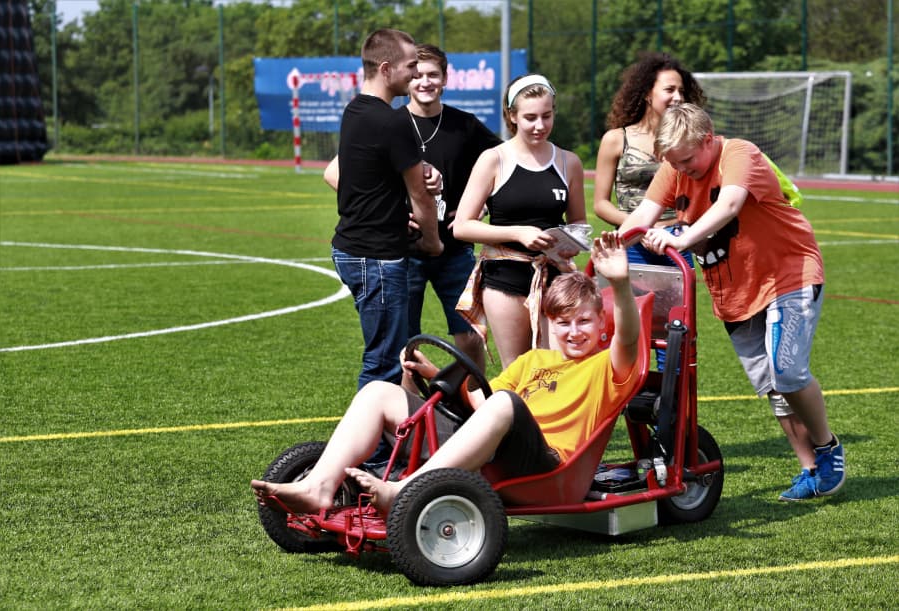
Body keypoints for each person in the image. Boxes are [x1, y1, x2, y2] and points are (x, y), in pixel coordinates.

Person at [251, 232, 642, 516]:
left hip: (547, 468)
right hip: (499, 449)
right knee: (378, 393)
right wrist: (436, 374)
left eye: (584, 321)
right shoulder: (533, 361)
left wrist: (620, 283)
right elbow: (481, 403)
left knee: (505, 402)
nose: (574, 332)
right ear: (550, 324)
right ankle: (319, 486)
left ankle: (404, 491)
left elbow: (627, 336)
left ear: (601, 325)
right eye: (563, 322)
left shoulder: (607, 367)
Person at [618, 103, 845, 502]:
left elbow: (729, 205)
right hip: (735, 291)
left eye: (688, 159)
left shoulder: (739, 153)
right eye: (675, 162)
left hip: (787, 275)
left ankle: (828, 448)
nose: (682, 169)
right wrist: (612, 244)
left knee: (787, 372)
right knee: (773, 387)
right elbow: (643, 215)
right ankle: (810, 469)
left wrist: (681, 239)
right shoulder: (674, 167)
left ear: (708, 140)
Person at [325, 44, 501, 373]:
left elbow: (504, 165)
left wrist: (479, 207)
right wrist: (391, 210)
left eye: (433, 74)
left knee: (469, 336)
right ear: (406, 78)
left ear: (446, 78)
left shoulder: (465, 125)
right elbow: (334, 172)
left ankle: (472, 396)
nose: (424, 82)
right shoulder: (390, 122)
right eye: (417, 74)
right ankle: (411, 402)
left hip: (455, 249)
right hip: (404, 251)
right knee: (406, 342)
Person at [331, 29, 442, 391]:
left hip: (355, 250)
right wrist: (432, 241)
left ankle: (392, 425)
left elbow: (371, 176)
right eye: (410, 66)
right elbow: (420, 196)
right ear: (385, 68)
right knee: (384, 363)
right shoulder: (393, 122)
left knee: (389, 356)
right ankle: (371, 431)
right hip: (375, 258)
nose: (415, 73)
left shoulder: (355, 111)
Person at [453, 74, 588, 369]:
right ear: (512, 116)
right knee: (516, 369)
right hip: (505, 278)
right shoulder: (494, 159)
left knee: (558, 368)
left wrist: (571, 243)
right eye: (530, 118)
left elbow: (579, 223)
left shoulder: (569, 162)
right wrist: (518, 233)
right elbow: (462, 226)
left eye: (546, 116)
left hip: (554, 277)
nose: (540, 125)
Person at [593, 52, 704, 370]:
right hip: (630, 245)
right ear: (646, 93)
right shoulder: (617, 139)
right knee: (624, 332)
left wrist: (675, 230)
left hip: (675, 244)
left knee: (676, 336)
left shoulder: (689, 142)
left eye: (681, 90)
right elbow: (600, 203)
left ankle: (671, 401)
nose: (677, 97)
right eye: (669, 89)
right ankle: (624, 398)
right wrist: (639, 228)